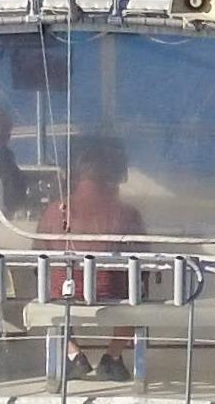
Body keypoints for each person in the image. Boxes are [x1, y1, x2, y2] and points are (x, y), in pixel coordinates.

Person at [37, 133, 144, 372]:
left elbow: (38, 255)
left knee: (49, 286)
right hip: (111, 294)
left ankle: (74, 354)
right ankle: (113, 356)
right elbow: (143, 257)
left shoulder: (54, 211)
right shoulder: (127, 213)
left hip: (61, 296)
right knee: (138, 291)